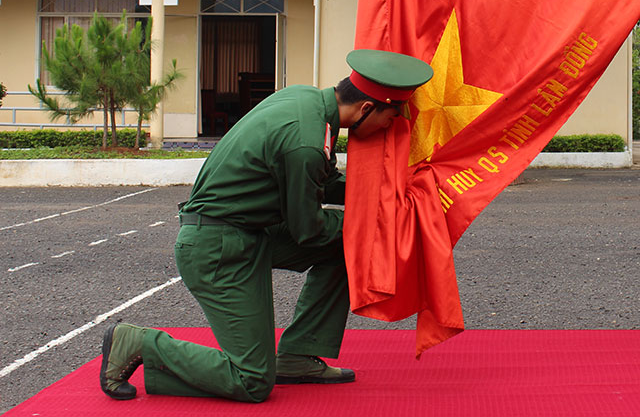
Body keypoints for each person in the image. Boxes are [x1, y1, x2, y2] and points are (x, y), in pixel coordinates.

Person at [99, 49, 434, 403]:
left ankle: (297, 356)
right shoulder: (305, 140)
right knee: (252, 381)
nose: (390, 127)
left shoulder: (304, 100)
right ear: (367, 109)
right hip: (218, 250)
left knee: (345, 242)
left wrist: (393, 198)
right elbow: (309, 230)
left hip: (246, 232)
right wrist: (378, 226)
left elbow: (320, 181)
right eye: (391, 117)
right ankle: (139, 343)